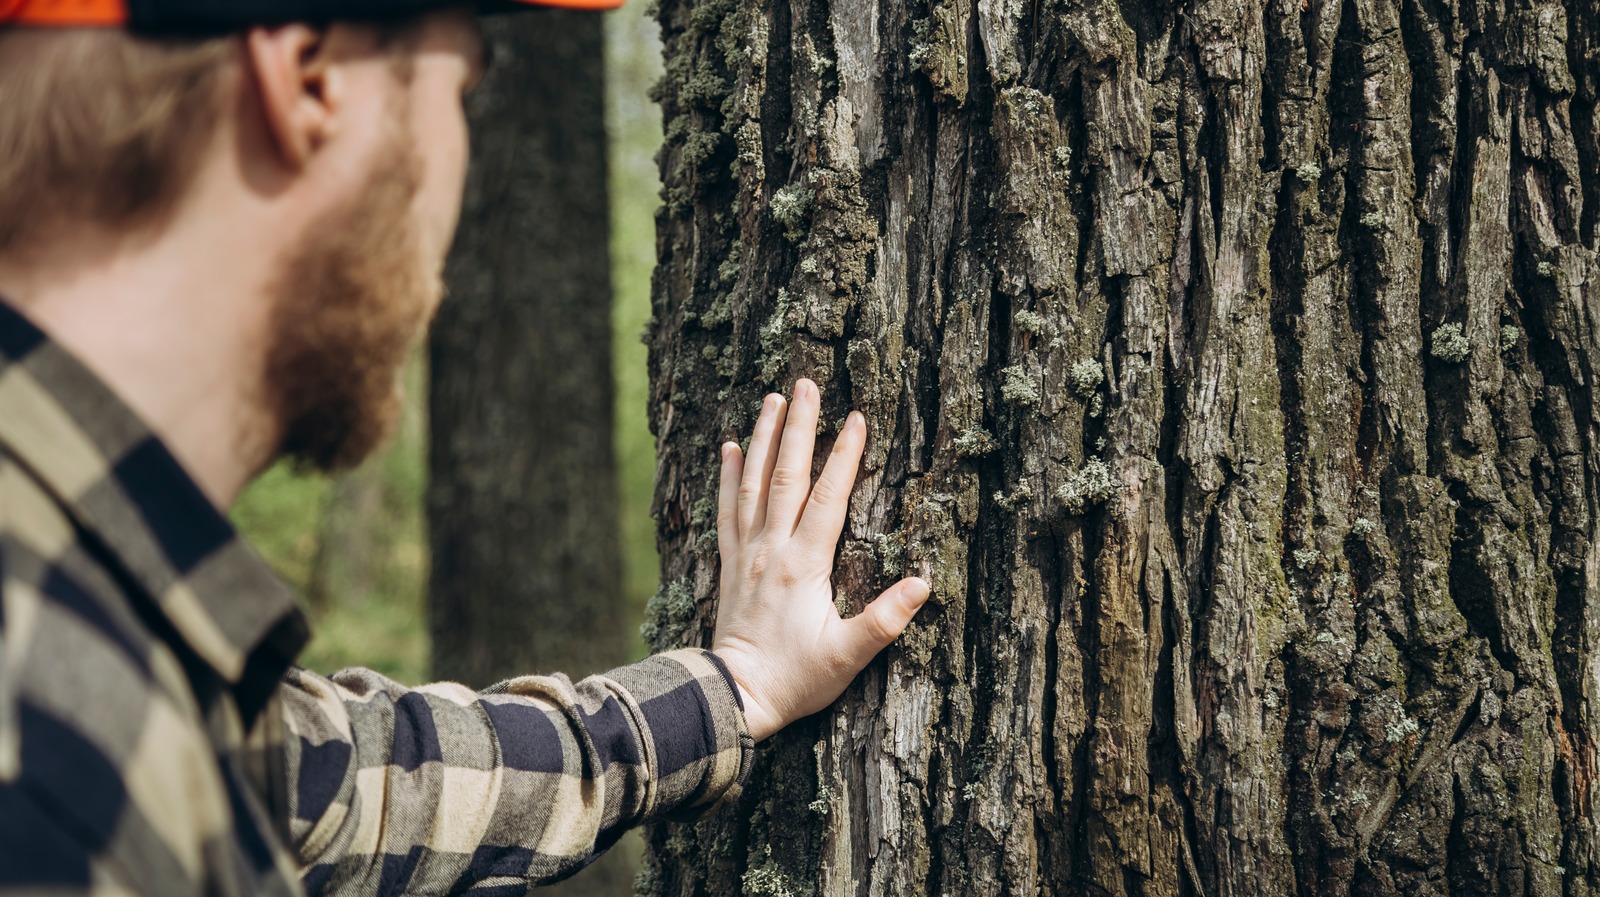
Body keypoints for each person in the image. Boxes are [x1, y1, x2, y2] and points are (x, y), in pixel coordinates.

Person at [0, 1, 931, 893]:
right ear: (307, 75)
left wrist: (737, 685)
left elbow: (357, 785)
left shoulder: (108, 661)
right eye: (459, 92)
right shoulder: (57, 778)